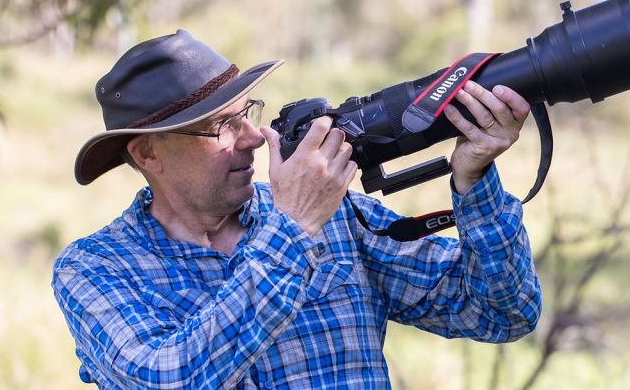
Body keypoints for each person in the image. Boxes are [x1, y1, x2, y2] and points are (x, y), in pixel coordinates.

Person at [52, 29, 541, 389]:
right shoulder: (93, 268)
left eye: (248, 112)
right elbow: (169, 379)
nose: (253, 139)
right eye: (220, 126)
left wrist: (473, 182)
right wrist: (293, 228)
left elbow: (502, 313)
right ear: (147, 153)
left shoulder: (335, 217)